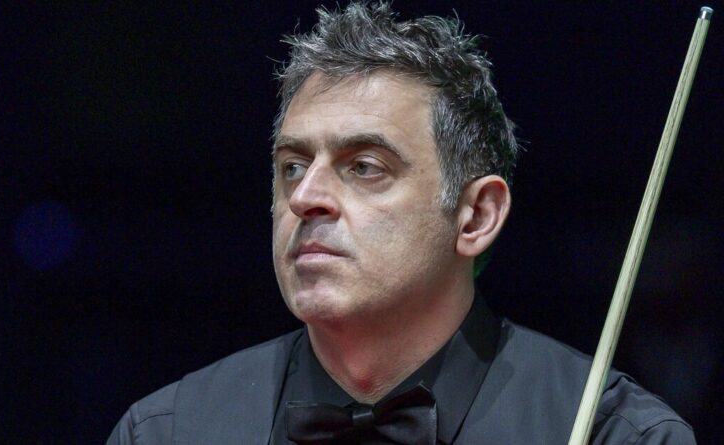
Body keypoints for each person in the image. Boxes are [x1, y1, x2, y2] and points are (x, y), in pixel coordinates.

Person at [107, 3, 694, 444]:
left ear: (476, 216)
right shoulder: (166, 432)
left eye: (364, 167)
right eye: (292, 167)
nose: (306, 198)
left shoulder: (616, 435)